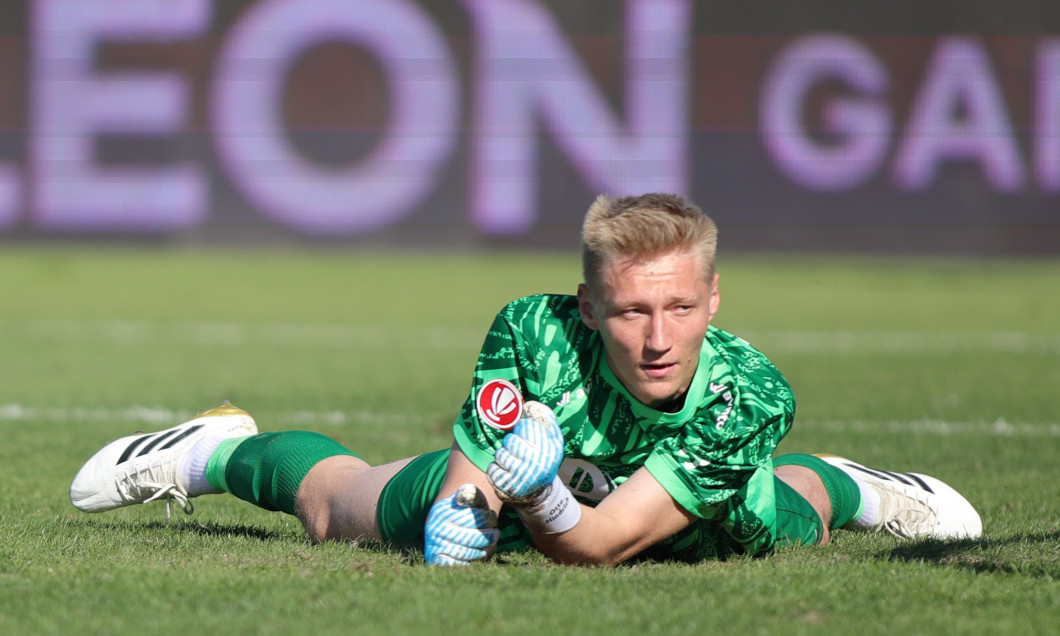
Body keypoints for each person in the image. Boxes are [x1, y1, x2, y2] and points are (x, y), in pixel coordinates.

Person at [70, 193, 982, 566]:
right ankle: (211, 450)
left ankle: (860, 485)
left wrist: (543, 490)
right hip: (527, 485)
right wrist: (461, 518)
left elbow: (602, 546)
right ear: (587, 307)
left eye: (680, 308)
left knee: (789, 521)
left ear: (714, 299)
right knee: (336, 510)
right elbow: (470, 482)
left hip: (674, 517)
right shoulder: (532, 328)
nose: (658, 339)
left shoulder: (749, 393)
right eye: (630, 311)